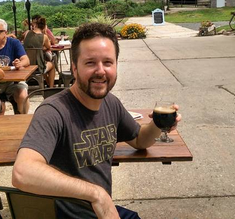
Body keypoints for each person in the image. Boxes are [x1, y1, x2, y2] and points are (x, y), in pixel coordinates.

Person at [12, 23, 182, 219]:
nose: (101, 71)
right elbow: (23, 172)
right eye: (90, 63)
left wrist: (157, 125)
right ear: (74, 69)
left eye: (108, 62)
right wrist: (97, 194)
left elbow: (140, 140)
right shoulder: (54, 111)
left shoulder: (111, 103)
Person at [0, 18, 31, 114]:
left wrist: (19, 63)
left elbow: (26, 60)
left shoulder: (14, 43)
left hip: (12, 82)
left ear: (5, 32)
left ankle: (23, 121)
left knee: (22, 95)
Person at [23, 17, 56, 88]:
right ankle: (51, 87)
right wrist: (41, 48)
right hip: (38, 67)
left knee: (43, 62)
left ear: (35, 25)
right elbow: (48, 47)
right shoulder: (44, 37)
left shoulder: (27, 33)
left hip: (26, 64)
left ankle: (48, 84)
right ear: (44, 26)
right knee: (52, 65)